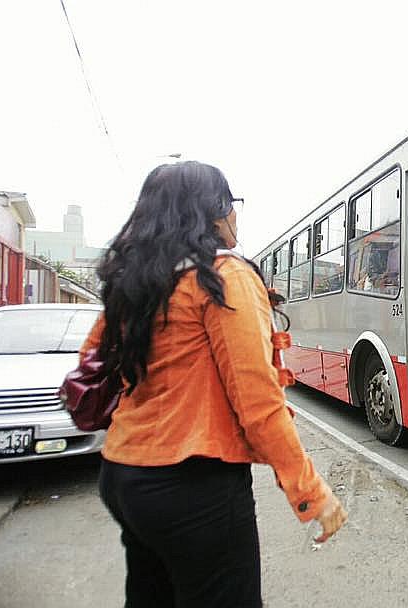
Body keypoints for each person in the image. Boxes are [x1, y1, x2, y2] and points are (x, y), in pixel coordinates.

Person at [84, 161, 347, 608]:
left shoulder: (134, 282)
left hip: (123, 475)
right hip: (195, 487)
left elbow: (92, 360)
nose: (236, 216)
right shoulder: (223, 277)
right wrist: (309, 492)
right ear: (214, 212)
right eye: (231, 204)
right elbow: (259, 401)